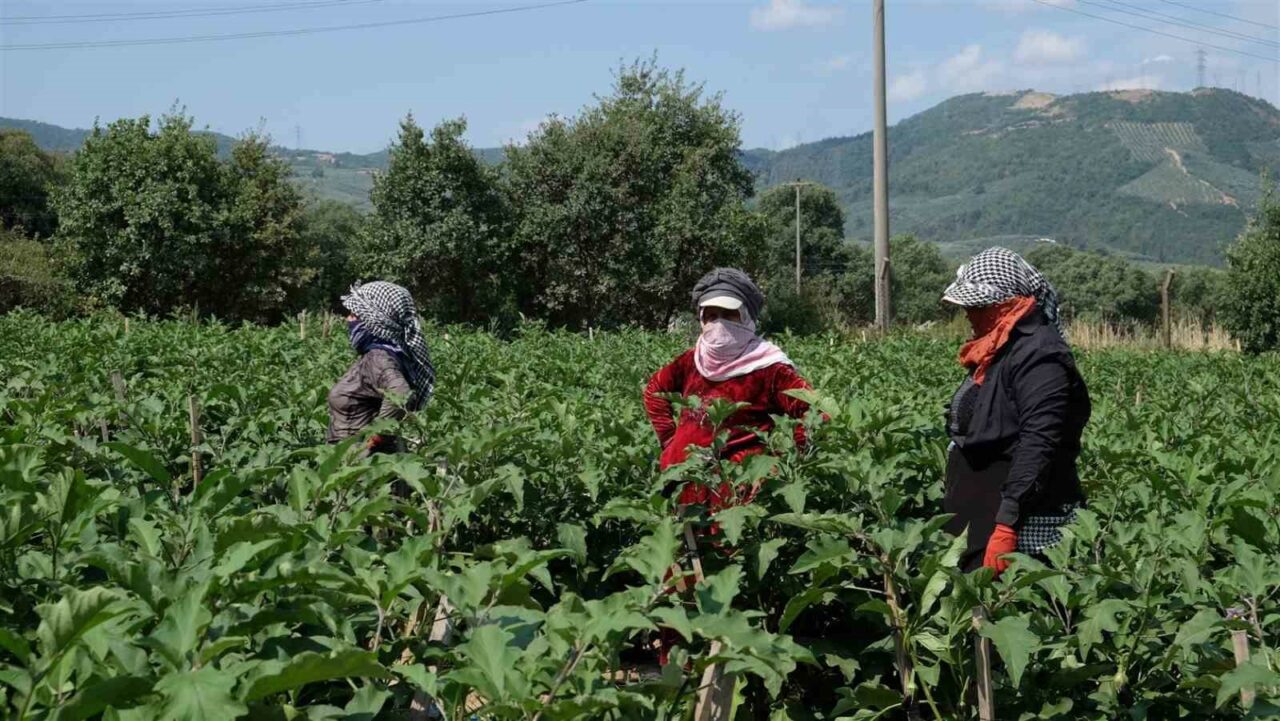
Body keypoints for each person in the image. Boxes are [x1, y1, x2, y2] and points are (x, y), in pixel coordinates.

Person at [941, 248, 1091, 575]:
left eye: (976, 305)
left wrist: (1007, 524)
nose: (967, 313)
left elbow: (1038, 442)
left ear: (1005, 304)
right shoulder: (1001, 346)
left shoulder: (1041, 355)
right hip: (982, 513)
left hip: (1016, 520)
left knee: (1013, 613)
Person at [643, 267, 816, 526]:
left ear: (746, 317)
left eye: (728, 315)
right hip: (682, 479)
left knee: (726, 554)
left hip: (735, 488)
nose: (719, 323)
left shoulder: (770, 367)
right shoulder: (692, 360)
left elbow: (813, 413)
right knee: (681, 557)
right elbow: (655, 390)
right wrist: (671, 442)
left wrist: (773, 467)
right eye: (711, 316)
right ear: (701, 320)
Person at [327, 280, 436, 455]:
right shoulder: (392, 354)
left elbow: (400, 392)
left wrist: (372, 442)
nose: (349, 319)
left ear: (374, 319)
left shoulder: (378, 357)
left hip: (361, 469)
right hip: (371, 464)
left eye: (355, 314)